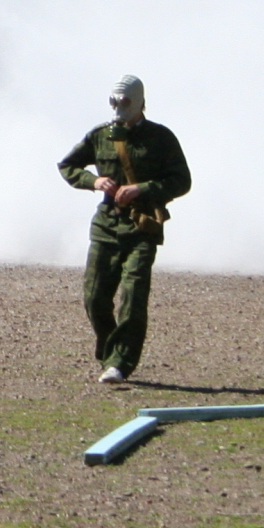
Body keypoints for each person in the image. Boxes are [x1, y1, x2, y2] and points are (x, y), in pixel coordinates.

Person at [57, 75, 191, 384]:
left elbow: (181, 181)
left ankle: (120, 362)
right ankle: (110, 354)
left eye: (125, 101)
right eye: (114, 101)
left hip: (141, 227)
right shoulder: (100, 136)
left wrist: (142, 189)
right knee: (94, 297)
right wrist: (94, 181)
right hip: (106, 225)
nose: (119, 107)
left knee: (132, 297)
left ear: (140, 102)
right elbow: (68, 166)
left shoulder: (161, 139)